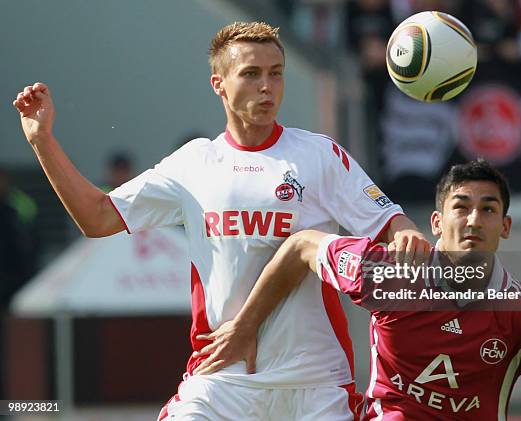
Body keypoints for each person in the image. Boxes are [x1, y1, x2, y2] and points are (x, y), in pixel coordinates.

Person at [12, 21, 430, 420]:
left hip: (314, 383)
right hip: (221, 378)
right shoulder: (195, 162)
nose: (267, 86)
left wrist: (408, 234)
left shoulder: (319, 155)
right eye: (251, 74)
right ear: (220, 85)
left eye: (276, 73)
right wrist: (42, 140)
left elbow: (389, 221)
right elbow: (97, 218)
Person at [197, 159, 521, 419]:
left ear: (504, 227)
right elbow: (302, 244)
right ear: (436, 223)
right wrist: (246, 325)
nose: (472, 220)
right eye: (461, 207)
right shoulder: (391, 274)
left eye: (488, 210)